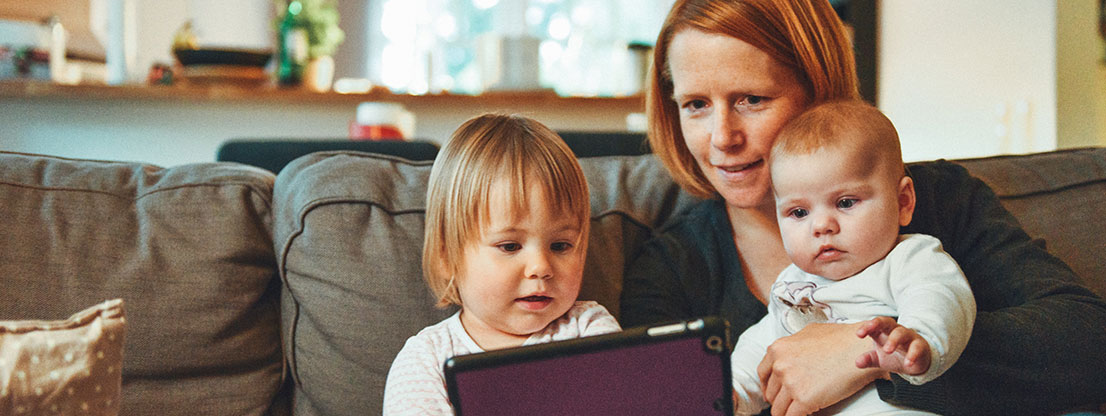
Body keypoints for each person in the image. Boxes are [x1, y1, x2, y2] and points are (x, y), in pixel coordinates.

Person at [619, 0, 1106, 415]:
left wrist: (865, 355)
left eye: (751, 99)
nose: (723, 138)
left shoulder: (939, 200)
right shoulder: (669, 268)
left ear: (818, 89)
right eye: (696, 105)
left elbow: (1089, 342)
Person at [730, 100, 975, 415]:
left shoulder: (909, 258)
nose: (821, 226)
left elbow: (940, 297)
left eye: (845, 203)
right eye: (799, 212)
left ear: (903, 202)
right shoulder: (792, 284)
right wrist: (732, 392)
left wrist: (920, 341)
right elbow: (762, 348)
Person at [382, 113, 621, 415]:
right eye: (510, 246)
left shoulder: (589, 329)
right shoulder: (427, 359)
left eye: (560, 246)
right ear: (446, 258)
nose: (540, 267)